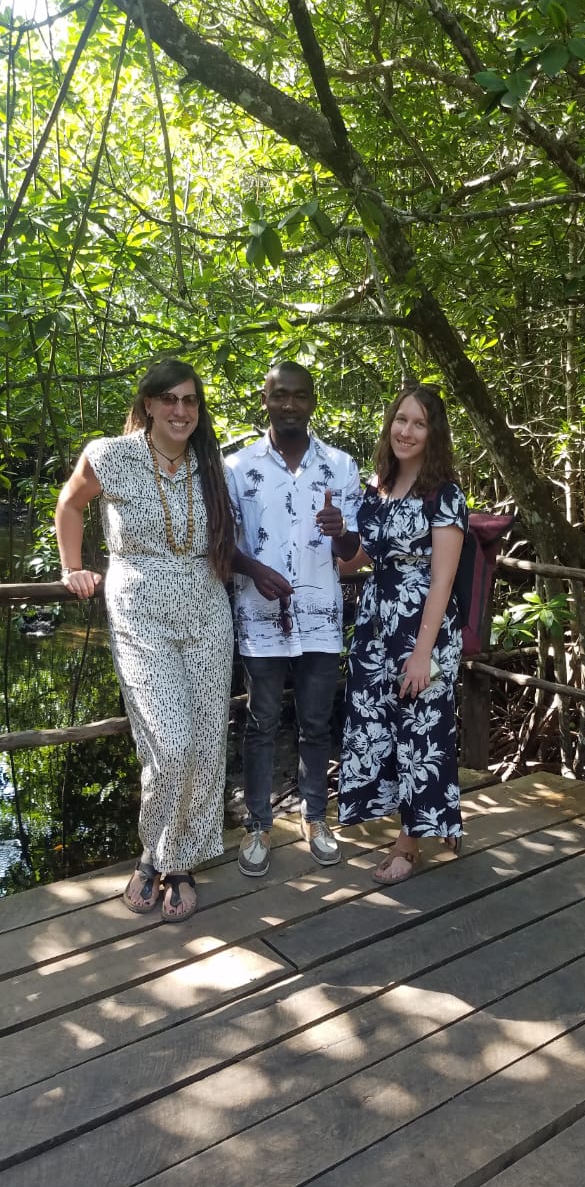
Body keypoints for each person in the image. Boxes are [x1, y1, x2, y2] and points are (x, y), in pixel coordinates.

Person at [55, 358, 236, 922]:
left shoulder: (210, 463)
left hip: (207, 615)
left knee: (205, 745)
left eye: (190, 400)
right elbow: (70, 503)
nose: (181, 410)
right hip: (141, 617)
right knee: (170, 744)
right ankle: (153, 854)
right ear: (150, 404)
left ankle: (177, 862)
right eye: (170, 399)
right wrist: (72, 566)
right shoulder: (111, 455)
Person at [226, 360, 361, 877]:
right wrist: (253, 569)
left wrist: (341, 530)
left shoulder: (341, 466)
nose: (289, 405)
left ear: (312, 401)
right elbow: (221, 545)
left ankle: (315, 817)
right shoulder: (236, 467)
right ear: (265, 399)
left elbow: (350, 553)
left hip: (322, 617)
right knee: (261, 724)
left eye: (299, 395)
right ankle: (258, 825)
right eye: (279, 395)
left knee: (316, 723)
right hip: (260, 617)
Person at [337, 382, 467, 883]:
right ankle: (437, 818)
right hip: (375, 624)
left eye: (419, 423)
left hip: (423, 628)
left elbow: (443, 579)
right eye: (401, 420)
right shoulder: (378, 485)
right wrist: (338, 535)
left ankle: (409, 844)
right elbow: (358, 560)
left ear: (434, 434)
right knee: (376, 724)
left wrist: (421, 653)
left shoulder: (444, 494)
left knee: (420, 730)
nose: (406, 431)